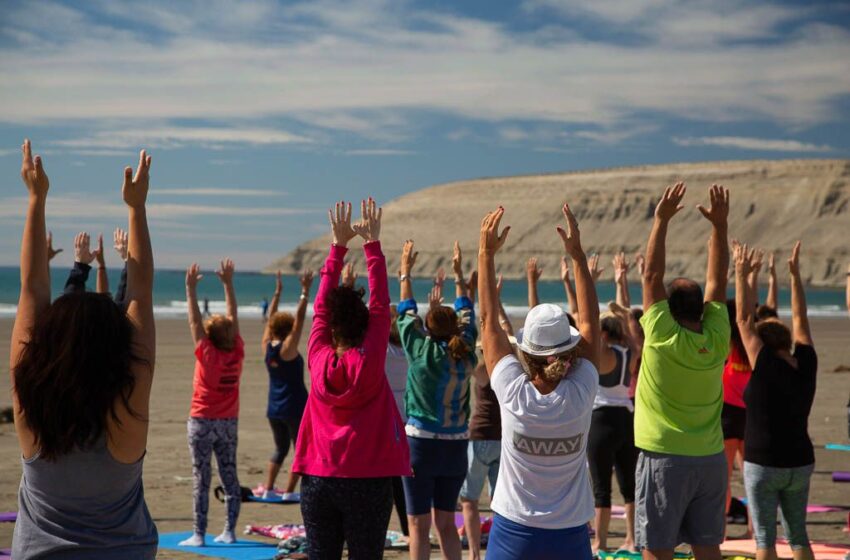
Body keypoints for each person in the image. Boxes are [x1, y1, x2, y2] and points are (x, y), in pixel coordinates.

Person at [11, 141, 158, 558]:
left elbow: (32, 289)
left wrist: (35, 200)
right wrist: (136, 208)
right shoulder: (126, 416)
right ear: (117, 350)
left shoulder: (31, 411)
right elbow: (140, 295)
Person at [477, 203, 599, 560]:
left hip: (514, 531)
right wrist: (577, 256)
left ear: (526, 353)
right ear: (570, 351)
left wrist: (485, 254)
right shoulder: (581, 391)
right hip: (570, 533)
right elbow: (590, 324)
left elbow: (488, 322)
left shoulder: (512, 391)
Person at [292, 199, 410, 559]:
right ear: (365, 328)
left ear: (329, 330)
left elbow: (322, 309)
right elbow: (380, 306)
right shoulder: (371, 359)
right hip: (369, 481)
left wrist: (337, 248)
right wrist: (371, 246)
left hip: (318, 478)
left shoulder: (317, 355)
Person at [634, 182, 730, 560]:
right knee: (708, 547)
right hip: (710, 459)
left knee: (657, 550)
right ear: (702, 310)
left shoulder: (660, 335)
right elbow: (718, 281)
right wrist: (720, 228)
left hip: (664, 458)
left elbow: (650, 276)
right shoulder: (718, 337)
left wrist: (660, 220)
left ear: (669, 310)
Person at [735, 242, 817, 560]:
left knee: (765, 539)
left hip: (764, 463)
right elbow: (800, 318)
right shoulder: (806, 361)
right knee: (798, 536)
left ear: (764, 345)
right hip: (800, 461)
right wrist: (795, 277)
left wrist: (741, 274)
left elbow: (743, 320)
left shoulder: (765, 364)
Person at [397, 239, 478, 560]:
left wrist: (405, 271)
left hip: (421, 446)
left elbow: (405, 313)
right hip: (456, 446)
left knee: (418, 526)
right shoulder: (466, 350)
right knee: (446, 523)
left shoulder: (421, 351)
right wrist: (459, 275)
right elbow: (468, 314)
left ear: (427, 329)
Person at [181, 258, 245, 547]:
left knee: (201, 479)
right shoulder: (237, 351)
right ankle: (229, 531)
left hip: (202, 421)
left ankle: (199, 534)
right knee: (229, 477)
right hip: (228, 423)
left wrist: (190, 289)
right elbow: (232, 318)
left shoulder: (207, 353)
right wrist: (229, 284)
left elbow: (195, 321)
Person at [587, 251, 640, 553]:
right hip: (626, 420)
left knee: (601, 489)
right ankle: (632, 539)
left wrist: (590, 283)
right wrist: (622, 285)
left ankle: (600, 541)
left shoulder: (602, 353)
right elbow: (631, 326)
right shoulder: (629, 353)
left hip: (601, 421)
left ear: (604, 334)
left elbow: (588, 325)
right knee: (629, 486)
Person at [460, 275, 510, 560]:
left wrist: (472, 295)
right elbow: (504, 330)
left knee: (469, 499)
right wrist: (497, 302)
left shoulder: (481, 368)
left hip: (479, 436)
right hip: (502, 438)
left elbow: (478, 333)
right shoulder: (511, 367)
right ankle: (493, 550)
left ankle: (474, 555)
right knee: (498, 502)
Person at [260, 269, 314, 501]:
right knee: (300, 450)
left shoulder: (267, 348)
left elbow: (270, 322)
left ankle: (269, 487)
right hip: (295, 406)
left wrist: (277, 293)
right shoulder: (287, 350)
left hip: (274, 408)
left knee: (280, 449)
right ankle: (290, 492)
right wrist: (304, 292)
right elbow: (300, 322)